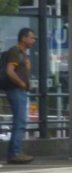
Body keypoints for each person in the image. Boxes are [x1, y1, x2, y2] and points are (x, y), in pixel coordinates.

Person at [4, 27, 37, 164]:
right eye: (31, 37)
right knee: (20, 121)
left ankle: (15, 152)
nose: (33, 40)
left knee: (21, 121)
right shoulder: (15, 52)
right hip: (16, 90)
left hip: (21, 90)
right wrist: (21, 83)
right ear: (23, 38)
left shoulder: (24, 54)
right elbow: (9, 71)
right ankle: (15, 153)